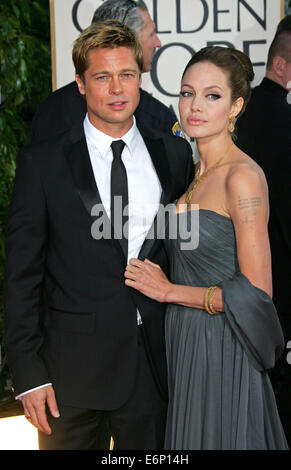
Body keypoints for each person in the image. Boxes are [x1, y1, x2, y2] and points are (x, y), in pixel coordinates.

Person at [4, 20, 194, 450]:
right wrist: (29, 376)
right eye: (102, 77)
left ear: (140, 77)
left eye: (126, 74)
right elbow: (22, 276)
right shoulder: (43, 163)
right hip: (67, 378)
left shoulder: (175, 154)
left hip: (154, 370)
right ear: (80, 84)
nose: (116, 88)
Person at [125, 46, 289, 450]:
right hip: (185, 341)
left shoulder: (243, 178)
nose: (195, 106)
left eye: (212, 95)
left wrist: (168, 291)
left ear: (235, 106)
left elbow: (257, 293)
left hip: (223, 346)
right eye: (187, 92)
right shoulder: (193, 172)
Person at [236, 16, 291, 445]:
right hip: (277, 287)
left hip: (229, 284)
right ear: (280, 65)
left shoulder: (238, 117)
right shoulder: (281, 123)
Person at [30, 0, 181, 143]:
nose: (158, 43)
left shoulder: (51, 108)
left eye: (126, 75)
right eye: (150, 34)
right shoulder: (157, 119)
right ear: (124, 39)